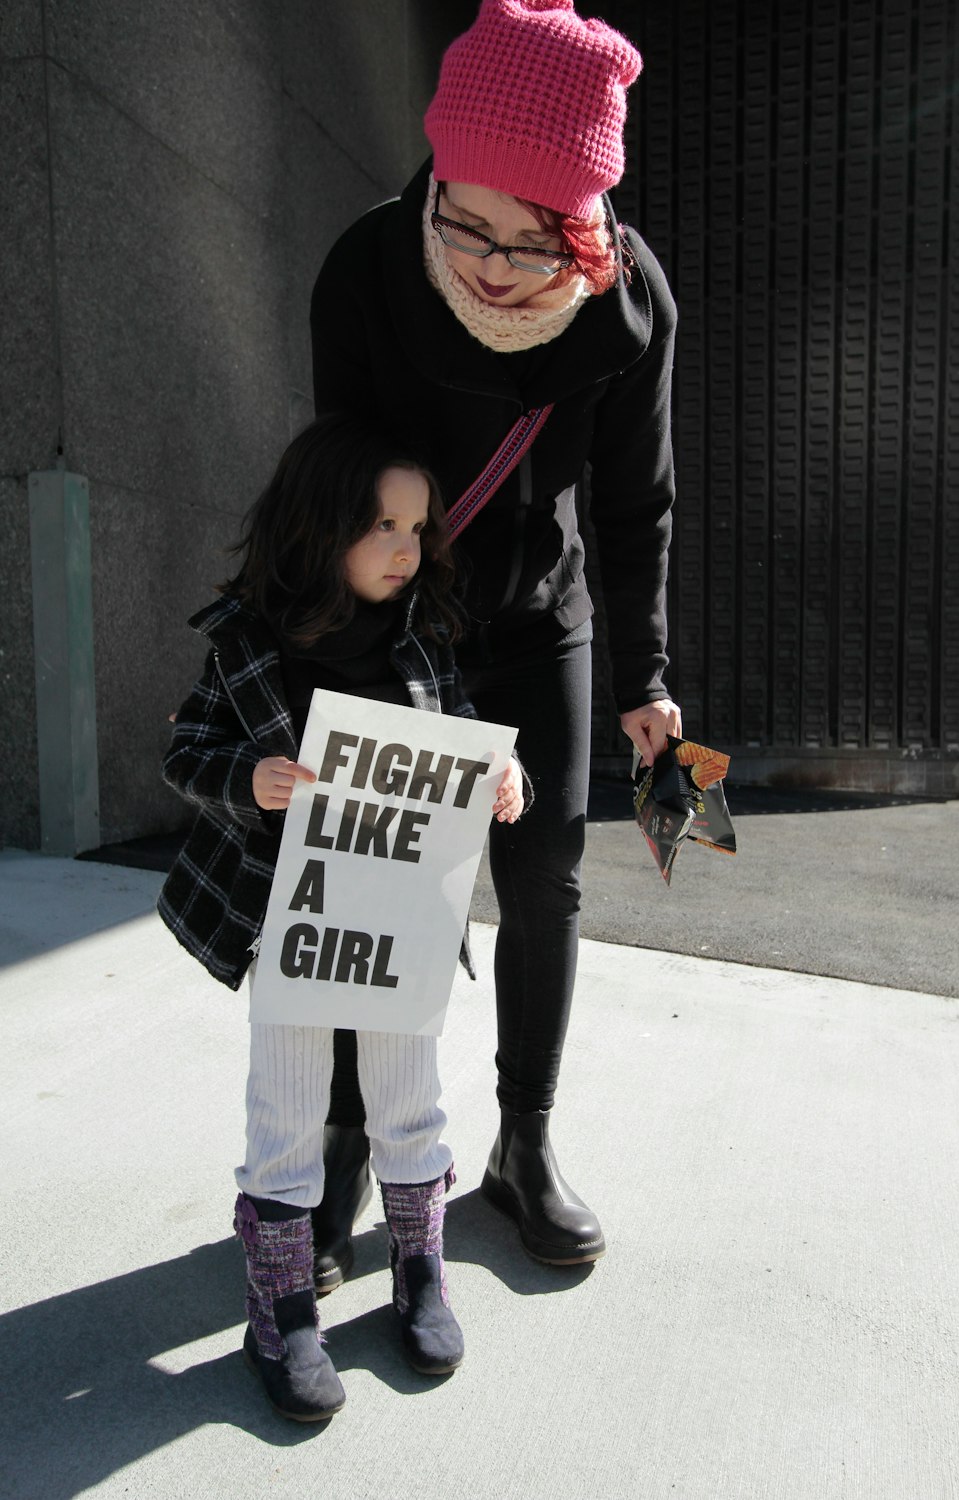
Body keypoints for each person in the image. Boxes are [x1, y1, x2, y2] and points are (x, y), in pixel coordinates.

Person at [309, 0, 682, 1275]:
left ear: (586, 226)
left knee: (545, 876)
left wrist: (646, 678)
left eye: (534, 238)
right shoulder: (367, 269)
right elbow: (338, 492)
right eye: (466, 218)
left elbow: (636, 505)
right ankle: (346, 1142)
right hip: (397, 617)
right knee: (378, 882)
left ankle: (524, 1142)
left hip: (540, 613)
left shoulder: (628, 306)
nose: (490, 261)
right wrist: (353, 663)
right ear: (436, 172)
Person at [157, 416, 525, 1422]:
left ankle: (418, 1271)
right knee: (287, 1111)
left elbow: (461, 740)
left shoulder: (425, 636)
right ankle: (280, 1303)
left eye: (418, 528)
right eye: (382, 527)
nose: (407, 549)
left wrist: (503, 773)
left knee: (410, 1100)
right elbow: (183, 753)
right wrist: (251, 776)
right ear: (320, 527)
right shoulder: (245, 643)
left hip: (404, 908)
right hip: (293, 915)